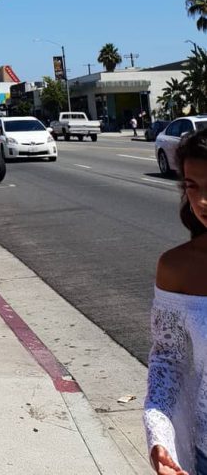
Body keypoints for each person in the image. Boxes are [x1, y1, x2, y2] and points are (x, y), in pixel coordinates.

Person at [143, 128, 207, 475]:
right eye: (193, 186)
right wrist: (161, 439)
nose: (202, 202)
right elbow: (168, 361)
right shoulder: (177, 268)